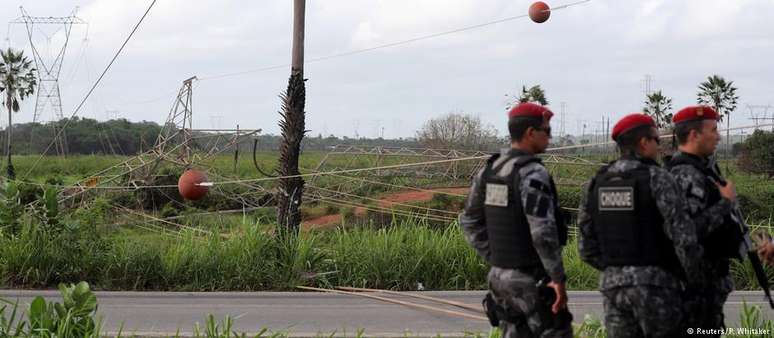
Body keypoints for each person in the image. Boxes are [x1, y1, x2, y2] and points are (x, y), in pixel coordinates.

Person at [577, 113, 705, 337]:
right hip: (657, 286)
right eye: (657, 140)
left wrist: (617, 269)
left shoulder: (595, 183)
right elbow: (684, 238)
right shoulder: (658, 178)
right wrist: (690, 279)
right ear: (644, 142)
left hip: (613, 287)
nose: (659, 146)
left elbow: (585, 248)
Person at [459, 102, 572, 337]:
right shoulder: (532, 173)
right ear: (530, 133)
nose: (549, 138)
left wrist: (498, 258)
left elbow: (469, 221)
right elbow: (542, 232)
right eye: (547, 131)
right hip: (532, 279)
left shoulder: (490, 171)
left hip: (499, 277)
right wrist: (557, 277)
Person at [665, 106, 739, 336]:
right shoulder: (685, 174)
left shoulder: (703, 170)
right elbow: (686, 233)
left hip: (707, 287)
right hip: (694, 290)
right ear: (694, 135)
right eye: (713, 130)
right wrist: (724, 203)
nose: (718, 136)